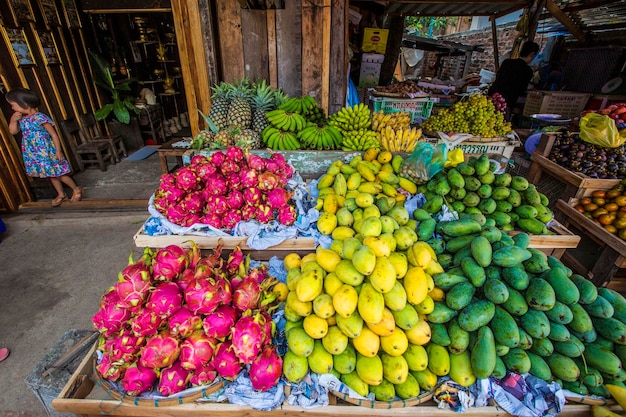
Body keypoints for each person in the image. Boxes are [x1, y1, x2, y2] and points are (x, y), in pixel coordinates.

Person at [6, 88, 82, 206]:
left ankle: (76, 188)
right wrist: (12, 120)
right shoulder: (21, 118)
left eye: (13, 105)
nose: (12, 108)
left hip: (47, 151)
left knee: (59, 174)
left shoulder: (40, 117)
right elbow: (13, 132)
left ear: (24, 103)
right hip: (35, 153)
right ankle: (61, 194)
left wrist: (58, 150)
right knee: (50, 174)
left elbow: (53, 134)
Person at [488, 41, 541, 118]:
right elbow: (521, 90)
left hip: (492, 96)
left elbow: (499, 77)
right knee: (500, 122)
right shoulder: (527, 71)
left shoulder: (507, 62)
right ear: (532, 54)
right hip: (505, 102)